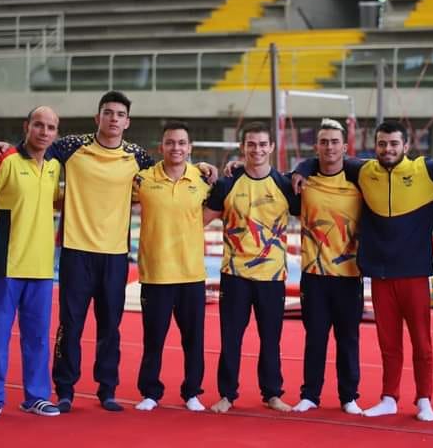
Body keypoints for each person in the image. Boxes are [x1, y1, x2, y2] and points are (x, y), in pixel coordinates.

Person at [0, 91, 216, 413]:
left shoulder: (137, 156)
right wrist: (5, 146)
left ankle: (106, 389)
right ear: (98, 118)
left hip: (115, 255)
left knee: (110, 326)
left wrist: (201, 165)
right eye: (107, 113)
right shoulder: (72, 147)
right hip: (76, 252)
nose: (113, 119)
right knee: (71, 324)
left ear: (127, 121)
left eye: (119, 114)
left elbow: (173, 166)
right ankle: (65, 389)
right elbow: (34, 145)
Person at [293, 121, 433, 421]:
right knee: (389, 343)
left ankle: (424, 399)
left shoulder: (428, 171)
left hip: (414, 273)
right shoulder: (363, 171)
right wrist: (301, 168)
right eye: (383, 144)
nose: (388, 149)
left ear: (406, 146)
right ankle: (389, 397)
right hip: (381, 274)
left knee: (421, 343)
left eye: (394, 144)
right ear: (375, 147)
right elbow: (327, 158)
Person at [0, 106, 61, 419]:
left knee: (37, 337)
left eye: (50, 127)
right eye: (39, 125)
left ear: (56, 133)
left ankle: (36, 396)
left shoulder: (54, 167)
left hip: (42, 268)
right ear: (27, 126)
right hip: (4, 266)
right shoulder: (5, 160)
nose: (44, 132)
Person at [203, 121, 299, 414]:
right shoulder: (228, 183)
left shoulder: (285, 184)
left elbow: (314, 207)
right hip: (234, 276)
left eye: (262, 144)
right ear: (242, 148)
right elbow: (199, 220)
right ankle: (227, 395)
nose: (256, 150)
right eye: (251, 145)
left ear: (271, 147)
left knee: (271, 338)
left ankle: (272, 393)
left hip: (272, 277)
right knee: (231, 338)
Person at [133, 121, 211, 413]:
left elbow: (217, 208)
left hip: (191, 273)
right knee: (153, 338)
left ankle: (192, 391)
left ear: (189, 148)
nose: (176, 148)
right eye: (170, 143)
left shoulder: (203, 179)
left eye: (181, 143)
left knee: (194, 339)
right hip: (156, 274)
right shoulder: (142, 180)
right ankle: (151, 391)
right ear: (161, 147)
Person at [291, 119, 364, 415]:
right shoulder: (301, 181)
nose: (329, 147)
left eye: (335, 142)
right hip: (314, 275)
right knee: (315, 338)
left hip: (349, 276)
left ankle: (349, 396)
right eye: (324, 142)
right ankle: (310, 394)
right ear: (316, 147)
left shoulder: (359, 180)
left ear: (344, 147)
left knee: (348, 339)